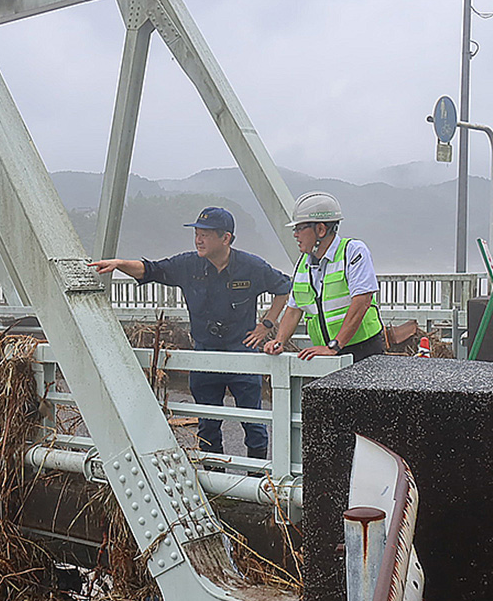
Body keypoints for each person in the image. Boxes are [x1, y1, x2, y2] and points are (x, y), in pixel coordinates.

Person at [92, 207, 291, 461]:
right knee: (208, 424)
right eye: (197, 234)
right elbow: (150, 270)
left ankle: (258, 482)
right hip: (204, 355)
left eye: (205, 235)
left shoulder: (251, 266)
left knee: (253, 422)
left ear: (226, 238)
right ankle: (214, 478)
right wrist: (120, 264)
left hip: (243, 354)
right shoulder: (188, 265)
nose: (198, 240)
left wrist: (267, 324)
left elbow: (284, 289)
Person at [263, 191, 384, 361]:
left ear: (320, 229)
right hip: (326, 352)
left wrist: (335, 345)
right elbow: (294, 308)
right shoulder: (303, 264)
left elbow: (362, 301)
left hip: (363, 351)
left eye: (299, 228)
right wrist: (279, 341)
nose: (295, 235)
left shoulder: (353, 251)